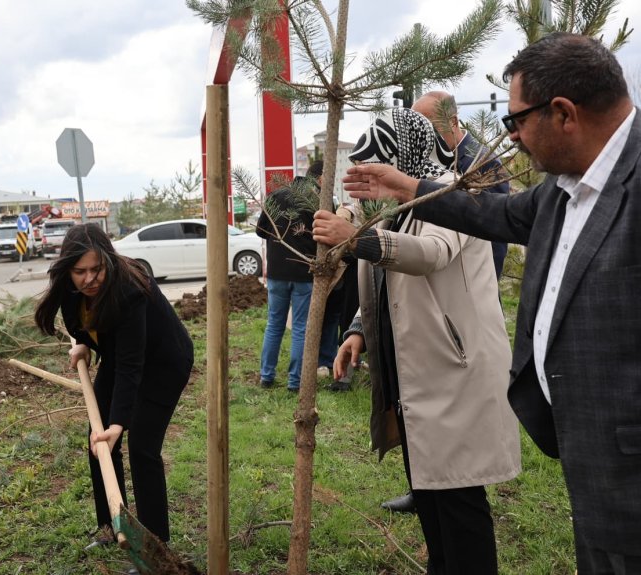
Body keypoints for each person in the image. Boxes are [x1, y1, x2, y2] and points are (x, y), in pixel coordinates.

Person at [343, 32, 641, 574]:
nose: (512, 139)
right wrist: (407, 187)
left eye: (515, 121)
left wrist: (361, 235)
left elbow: (433, 252)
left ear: (563, 113)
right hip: (588, 448)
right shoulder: (565, 187)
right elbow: (496, 217)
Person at [313, 107, 521, 574]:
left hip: (456, 367)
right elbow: (388, 284)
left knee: (460, 500)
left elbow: (429, 255)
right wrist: (359, 332)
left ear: (400, 157)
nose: (370, 185)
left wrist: (355, 239)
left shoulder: (454, 193)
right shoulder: (395, 210)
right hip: (416, 376)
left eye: (376, 170)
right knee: (430, 495)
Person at [379, 91, 514, 514]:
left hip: (460, 312)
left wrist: (467, 294)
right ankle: (425, 490)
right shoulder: (415, 177)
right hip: (427, 314)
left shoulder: (471, 166)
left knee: (460, 487)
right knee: (436, 458)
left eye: (426, 128)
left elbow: (475, 235)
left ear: (450, 122)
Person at [34, 224, 194, 550]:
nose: (89, 279)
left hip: (163, 363)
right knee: (97, 442)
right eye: (80, 271)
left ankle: (155, 543)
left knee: (142, 448)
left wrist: (118, 423)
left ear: (108, 260)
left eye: (97, 269)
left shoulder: (131, 290)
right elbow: (88, 323)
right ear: (68, 269)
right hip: (123, 357)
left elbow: (132, 366)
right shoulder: (71, 287)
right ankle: (111, 526)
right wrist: (83, 344)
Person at [256, 161, 337, 392]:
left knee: (274, 324)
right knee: (301, 326)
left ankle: (266, 376)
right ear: (320, 179)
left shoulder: (277, 194)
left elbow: (260, 229)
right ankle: (295, 382)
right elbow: (329, 236)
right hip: (304, 271)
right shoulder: (320, 200)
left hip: (277, 272)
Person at [412, 90, 511, 278]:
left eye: (429, 127)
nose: (422, 136)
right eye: (416, 129)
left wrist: (483, 290)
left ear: (453, 122)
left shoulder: (482, 164)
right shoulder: (430, 161)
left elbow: (494, 239)